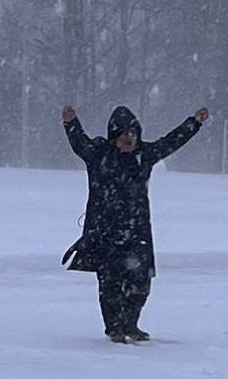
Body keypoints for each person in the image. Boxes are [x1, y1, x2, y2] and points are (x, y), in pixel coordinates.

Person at [59, 97, 210, 340]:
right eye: (123, 134)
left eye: (132, 133)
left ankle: (130, 324)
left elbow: (171, 141)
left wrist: (194, 123)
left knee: (141, 282)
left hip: (137, 231)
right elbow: (80, 144)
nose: (129, 138)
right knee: (110, 285)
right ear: (114, 136)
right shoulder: (99, 155)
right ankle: (115, 328)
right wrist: (71, 123)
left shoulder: (145, 155)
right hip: (105, 232)